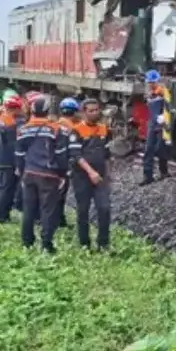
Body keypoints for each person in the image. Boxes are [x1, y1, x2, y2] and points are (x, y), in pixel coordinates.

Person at [16, 95, 69, 253]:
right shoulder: (55, 129)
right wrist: (62, 174)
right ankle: (46, 244)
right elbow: (61, 153)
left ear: (32, 111)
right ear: (47, 111)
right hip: (49, 175)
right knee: (48, 210)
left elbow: (19, 155)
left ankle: (27, 242)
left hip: (29, 173)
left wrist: (22, 171)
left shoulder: (23, 129)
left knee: (29, 209)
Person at [68, 98, 112, 251]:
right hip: (82, 177)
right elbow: (76, 155)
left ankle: (103, 244)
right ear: (84, 112)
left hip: (100, 176)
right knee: (83, 210)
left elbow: (106, 154)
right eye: (91, 111)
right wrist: (90, 172)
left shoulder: (104, 129)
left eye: (97, 109)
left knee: (104, 208)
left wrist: (107, 174)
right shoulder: (76, 130)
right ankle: (84, 243)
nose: (95, 113)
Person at [0, 94, 24, 222]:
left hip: (0, 158)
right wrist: (18, 164)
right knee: (7, 188)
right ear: (15, 108)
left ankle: (2, 214)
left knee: (3, 187)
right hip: (9, 161)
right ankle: (2, 216)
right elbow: (14, 146)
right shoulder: (11, 124)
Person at [139, 69, 171, 186]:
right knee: (148, 149)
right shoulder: (149, 93)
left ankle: (164, 172)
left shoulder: (164, 92)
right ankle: (148, 176)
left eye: (153, 82)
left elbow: (169, 107)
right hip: (153, 123)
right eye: (149, 82)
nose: (151, 84)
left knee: (160, 149)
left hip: (161, 123)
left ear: (157, 81)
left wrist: (164, 119)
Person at [54, 97, 81, 228]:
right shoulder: (74, 129)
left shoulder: (55, 126)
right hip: (64, 166)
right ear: (75, 112)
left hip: (52, 165)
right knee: (60, 193)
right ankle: (59, 221)